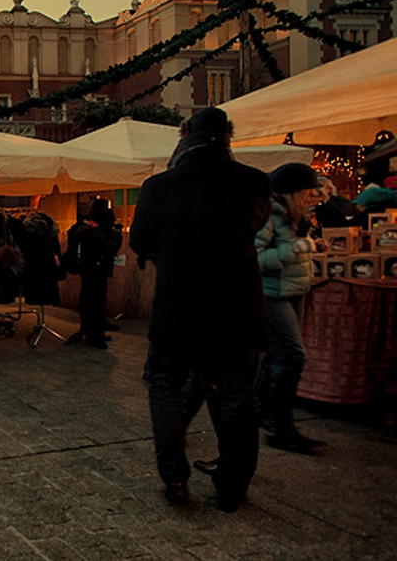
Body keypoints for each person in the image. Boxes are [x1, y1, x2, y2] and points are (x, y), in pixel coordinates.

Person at [129, 107, 271, 512]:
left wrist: (171, 248)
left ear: (184, 135)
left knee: (167, 386)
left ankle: (173, 475)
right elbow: (253, 226)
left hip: (179, 307)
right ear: (228, 136)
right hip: (238, 307)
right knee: (237, 397)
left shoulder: (160, 186)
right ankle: (233, 487)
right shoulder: (254, 182)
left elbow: (139, 240)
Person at [256, 163, 326, 454]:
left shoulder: (298, 216)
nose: (312, 196)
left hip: (293, 291)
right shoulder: (268, 214)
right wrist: (298, 249)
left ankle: (266, 415)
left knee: (277, 357)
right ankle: (276, 421)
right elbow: (254, 257)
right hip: (272, 294)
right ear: (295, 191)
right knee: (292, 356)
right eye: (308, 191)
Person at [65, 199, 123, 350]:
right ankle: (95, 336)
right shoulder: (97, 233)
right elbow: (110, 247)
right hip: (96, 269)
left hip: (87, 269)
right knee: (96, 302)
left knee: (89, 300)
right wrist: (117, 234)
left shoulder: (83, 230)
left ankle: (89, 331)